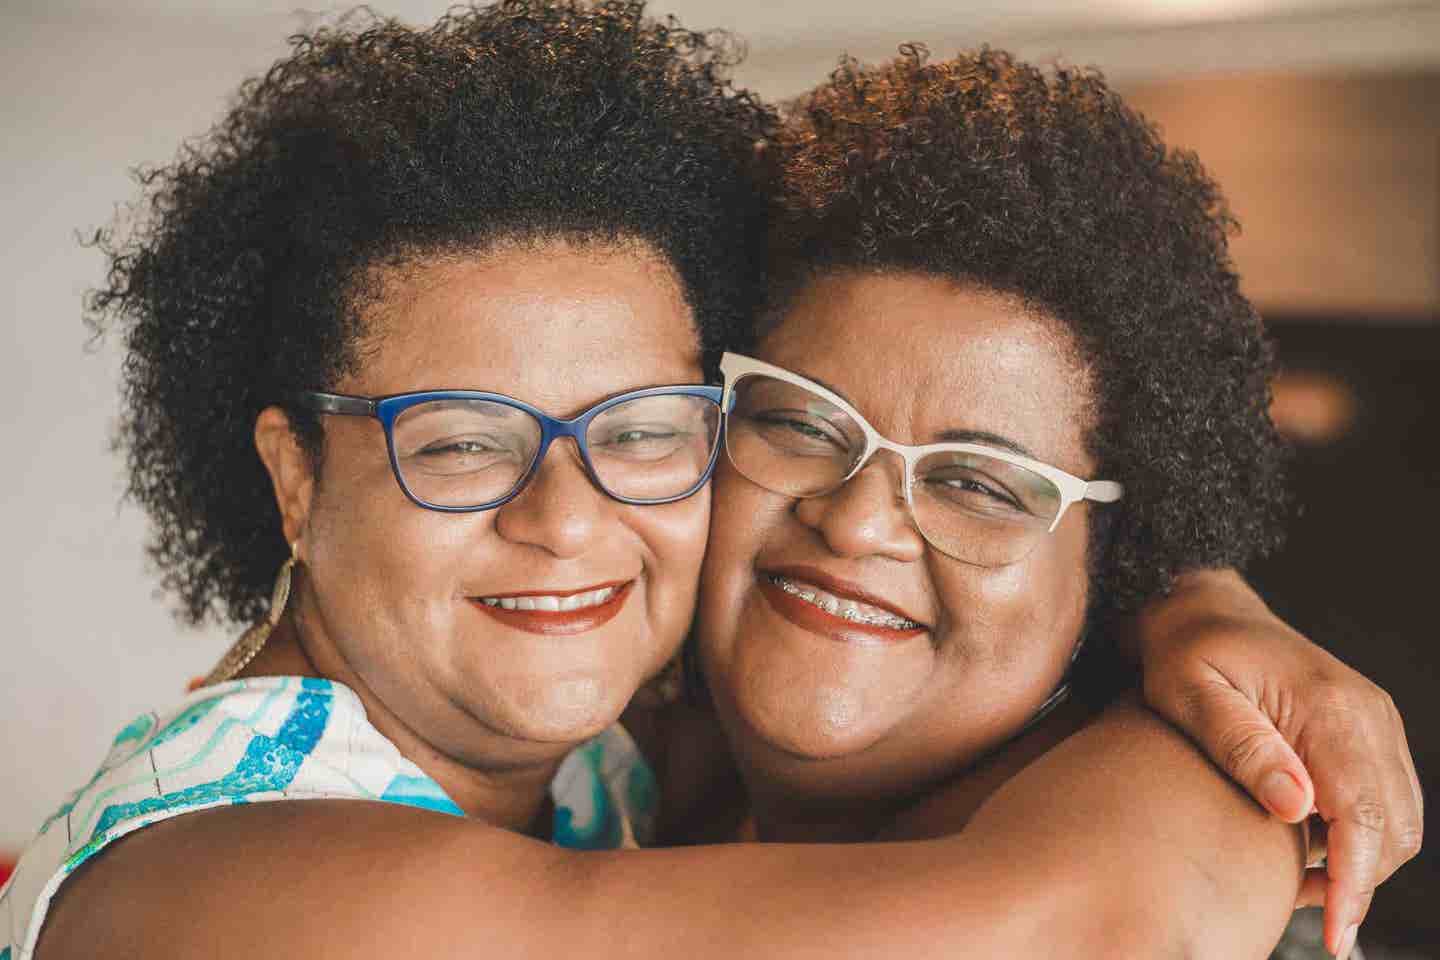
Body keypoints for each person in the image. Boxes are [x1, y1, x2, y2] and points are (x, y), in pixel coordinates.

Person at [2, 6, 1417, 959]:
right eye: (462, 442)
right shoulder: (228, 888)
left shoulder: (609, 753)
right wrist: (1239, 717)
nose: (566, 521)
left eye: (636, 432)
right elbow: (1091, 915)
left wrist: (1182, 590)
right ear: (293, 478)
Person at [693, 45, 1420, 958]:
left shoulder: (1185, 865)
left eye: (976, 485)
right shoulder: (626, 767)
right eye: (801, 425)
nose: (856, 521)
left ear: (1118, 561)